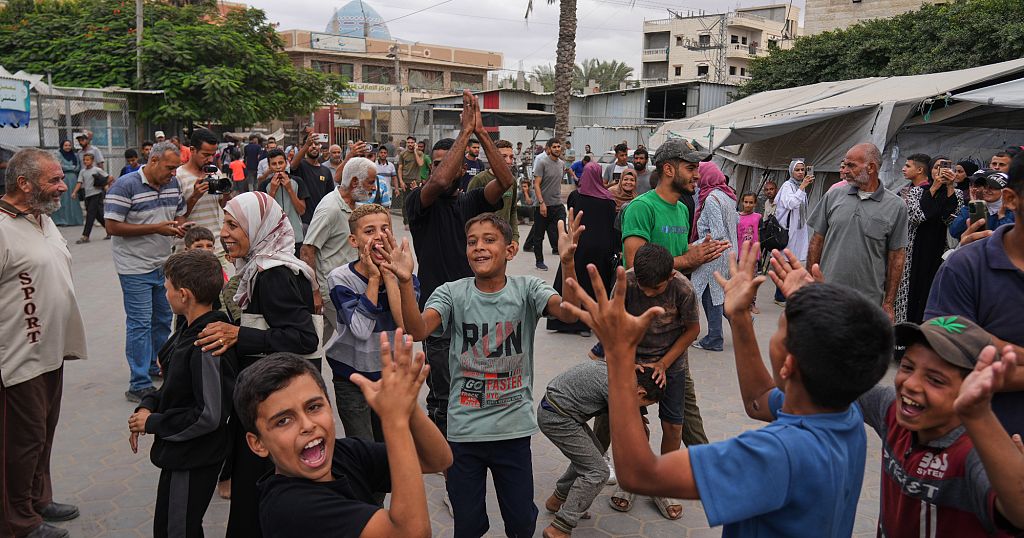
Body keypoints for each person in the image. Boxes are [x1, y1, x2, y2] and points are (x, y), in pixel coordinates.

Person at [560, 240, 892, 537]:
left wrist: (618, 355)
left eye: (778, 329)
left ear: (789, 366)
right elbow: (758, 402)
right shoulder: (843, 416)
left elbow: (639, 474)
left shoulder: (776, 454)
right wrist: (741, 317)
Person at [771, 250, 1024, 537]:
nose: (912, 384)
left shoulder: (971, 452)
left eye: (936, 379)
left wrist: (979, 416)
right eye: (907, 366)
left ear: (973, 388)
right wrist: (814, 315)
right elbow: (830, 376)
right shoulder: (891, 409)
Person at [390, 211, 584, 538]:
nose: (479, 247)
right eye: (472, 242)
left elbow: (568, 312)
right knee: (467, 524)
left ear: (510, 250)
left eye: (489, 240)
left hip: (513, 431)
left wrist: (567, 262)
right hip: (464, 432)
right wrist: (406, 282)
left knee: (521, 521)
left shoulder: (527, 289)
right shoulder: (452, 292)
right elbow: (418, 329)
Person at [234, 341, 452, 537]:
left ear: (331, 407)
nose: (307, 425)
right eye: (283, 421)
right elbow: (411, 533)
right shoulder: (290, 507)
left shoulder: (345, 453)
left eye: (313, 407)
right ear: (258, 443)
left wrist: (408, 403)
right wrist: (396, 420)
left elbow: (437, 459)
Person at [197, 191, 320, 538]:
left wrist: (239, 336)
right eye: (224, 222)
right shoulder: (260, 265)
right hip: (264, 394)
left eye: (234, 225)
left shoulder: (274, 273)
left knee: (260, 493)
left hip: (276, 400)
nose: (224, 233)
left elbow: (302, 338)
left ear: (259, 226)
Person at [402, 91, 513, 441]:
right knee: (443, 396)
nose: (440, 168)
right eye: (436, 162)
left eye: (448, 161)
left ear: (463, 167)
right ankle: (450, 466)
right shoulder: (417, 204)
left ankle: (477, 446)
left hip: (477, 314)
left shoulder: (471, 202)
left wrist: (481, 134)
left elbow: (507, 182)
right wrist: (464, 134)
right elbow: (436, 183)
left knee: (479, 388)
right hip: (438, 317)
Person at [619, 138, 730, 449]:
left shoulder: (683, 209)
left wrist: (697, 258)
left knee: (681, 416)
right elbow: (634, 265)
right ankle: (591, 470)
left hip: (673, 333)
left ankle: (703, 471)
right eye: (691, 167)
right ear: (669, 169)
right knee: (617, 410)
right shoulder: (641, 208)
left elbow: (678, 268)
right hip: (636, 335)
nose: (698, 174)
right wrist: (688, 259)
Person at [1, 148, 87, 538]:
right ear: (24, 184)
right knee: (20, 440)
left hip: (51, 351)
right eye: (53, 180)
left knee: (43, 432)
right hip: (16, 357)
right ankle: (17, 520)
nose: (62, 185)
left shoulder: (41, 219)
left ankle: (38, 498)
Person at [127, 249, 236, 538]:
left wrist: (154, 423)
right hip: (181, 452)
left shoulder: (206, 341)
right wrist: (147, 405)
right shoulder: (188, 330)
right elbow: (174, 386)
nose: (165, 294)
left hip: (194, 455)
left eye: (167, 288)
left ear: (184, 294)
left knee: (178, 529)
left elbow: (209, 415)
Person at [598, 243, 700, 520]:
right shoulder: (627, 283)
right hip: (630, 361)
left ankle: (661, 482)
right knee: (628, 424)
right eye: (643, 286)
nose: (646, 292)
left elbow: (693, 330)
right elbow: (610, 326)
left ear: (669, 276)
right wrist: (623, 362)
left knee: (673, 426)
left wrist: (664, 364)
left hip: (672, 363)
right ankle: (630, 480)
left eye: (654, 289)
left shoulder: (683, 289)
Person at [926, 152, 1024, 437]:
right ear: (1011, 199)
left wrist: (987, 346)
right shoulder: (967, 266)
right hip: (974, 446)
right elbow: (946, 345)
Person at [325, 204, 419, 443]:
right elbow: (360, 329)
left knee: (390, 444)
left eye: (385, 229)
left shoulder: (405, 276)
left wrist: (390, 276)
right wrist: (374, 279)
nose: (379, 236)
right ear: (353, 241)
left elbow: (406, 326)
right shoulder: (340, 278)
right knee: (363, 446)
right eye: (369, 231)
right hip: (352, 376)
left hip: (390, 376)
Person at [540, 361, 664, 538]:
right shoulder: (618, 390)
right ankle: (560, 528)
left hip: (560, 411)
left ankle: (557, 500)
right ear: (641, 392)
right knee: (598, 471)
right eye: (643, 404)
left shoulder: (621, 373)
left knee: (592, 457)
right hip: (557, 418)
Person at [103, 141, 187, 401]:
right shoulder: (125, 185)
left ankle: (155, 364)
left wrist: (179, 227)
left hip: (163, 264)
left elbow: (180, 213)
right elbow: (112, 227)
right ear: (153, 161)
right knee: (140, 324)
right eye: (170, 167)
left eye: (176, 168)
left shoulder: (173, 184)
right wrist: (156, 228)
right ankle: (138, 382)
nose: (173, 173)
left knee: (162, 319)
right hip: (134, 267)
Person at [807, 143, 909, 320]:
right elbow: (816, 241)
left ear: (871, 168)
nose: (844, 170)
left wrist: (888, 303)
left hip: (868, 302)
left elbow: (897, 257)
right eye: (844, 165)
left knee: (859, 347)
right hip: (827, 294)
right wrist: (809, 285)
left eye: (851, 165)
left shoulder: (896, 206)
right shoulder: (833, 196)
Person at [301, 154, 378, 341]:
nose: (374, 187)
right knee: (360, 336)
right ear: (354, 182)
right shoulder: (330, 208)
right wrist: (315, 292)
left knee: (314, 342)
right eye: (370, 182)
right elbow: (307, 249)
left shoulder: (354, 206)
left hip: (349, 287)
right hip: (333, 292)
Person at [549, 162, 617, 336]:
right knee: (594, 284)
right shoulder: (608, 199)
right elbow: (611, 226)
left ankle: (568, 321)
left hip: (578, 245)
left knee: (573, 280)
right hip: (602, 249)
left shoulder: (575, 196)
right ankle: (590, 323)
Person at [897, 155, 964, 324]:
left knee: (931, 291)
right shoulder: (917, 191)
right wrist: (934, 187)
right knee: (910, 293)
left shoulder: (957, 193)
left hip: (938, 251)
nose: (940, 171)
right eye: (936, 168)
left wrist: (949, 187)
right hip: (915, 250)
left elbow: (950, 219)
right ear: (930, 171)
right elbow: (917, 216)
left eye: (946, 168)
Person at [690, 161, 738, 352]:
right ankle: (740, 320)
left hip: (714, 251)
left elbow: (717, 232)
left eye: (698, 173)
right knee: (716, 294)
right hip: (727, 252)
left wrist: (692, 247)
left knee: (705, 293)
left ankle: (715, 337)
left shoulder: (711, 198)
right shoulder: (728, 196)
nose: (695, 177)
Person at [176, 128, 231, 255]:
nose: (210, 159)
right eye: (206, 155)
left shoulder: (215, 172)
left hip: (215, 246)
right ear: (192, 150)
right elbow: (177, 217)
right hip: (189, 249)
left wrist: (226, 193)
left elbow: (223, 205)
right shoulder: (178, 177)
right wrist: (195, 197)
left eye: (213, 155)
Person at [529, 138, 574, 271]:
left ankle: (565, 257)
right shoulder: (542, 162)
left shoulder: (561, 164)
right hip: (542, 205)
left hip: (557, 204)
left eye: (559, 146)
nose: (557, 149)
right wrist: (541, 203)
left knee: (562, 231)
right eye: (554, 147)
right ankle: (539, 261)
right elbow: (536, 184)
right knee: (539, 236)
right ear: (549, 148)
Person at [466, 139, 520, 248]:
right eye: (503, 156)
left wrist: (515, 237)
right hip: (482, 241)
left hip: (504, 238)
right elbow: (466, 212)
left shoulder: (512, 181)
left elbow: (513, 210)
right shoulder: (479, 180)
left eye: (511, 157)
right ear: (493, 157)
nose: (509, 161)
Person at [259, 149, 308, 256]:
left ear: (286, 163)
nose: (278, 167)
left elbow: (301, 210)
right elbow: (264, 214)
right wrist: (272, 191)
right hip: (273, 239)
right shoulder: (264, 185)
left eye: (280, 163)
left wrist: (290, 189)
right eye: (274, 164)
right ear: (269, 166)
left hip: (296, 238)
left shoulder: (297, 182)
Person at [949, 171, 1015, 239]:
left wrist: (1002, 217)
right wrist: (973, 207)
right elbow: (955, 232)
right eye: (985, 186)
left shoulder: (1014, 212)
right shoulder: (979, 207)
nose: (986, 190)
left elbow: (1007, 240)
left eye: (993, 187)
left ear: (1005, 192)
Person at [290, 131, 335, 232]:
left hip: (321, 220)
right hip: (303, 221)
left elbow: (330, 196)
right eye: (311, 144)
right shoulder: (300, 165)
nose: (314, 147)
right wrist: (307, 144)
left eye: (317, 144)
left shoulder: (326, 171)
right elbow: (292, 165)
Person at [774, 159, 813, 265]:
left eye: (802, 170)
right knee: (786, 257)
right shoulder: (788, 185)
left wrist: (801, 187)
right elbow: (791, 204)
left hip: (798, 227)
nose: (800, 172)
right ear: (791, 172)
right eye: (797, 170)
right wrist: (802, 187)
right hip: (788, 227)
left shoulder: (799, 185)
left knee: (795, 258)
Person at [71, 153, 110, 244]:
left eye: (88, 160)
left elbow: (109, 177)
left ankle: (85, 236)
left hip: (96, 195)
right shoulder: (82, 172)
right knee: (99, 215)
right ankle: (111, 231)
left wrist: (103, 185)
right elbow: (79, 182)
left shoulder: (97, 170)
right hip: (87, 196)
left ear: (92, 161)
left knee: (90, 215)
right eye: (84, 160)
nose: (85, 161)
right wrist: (74, 192)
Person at [737, 192, 761, 313]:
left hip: (753, 254)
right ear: (742, 202)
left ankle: (752, 303)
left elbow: (760, 235)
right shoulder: (737, 217)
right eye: (746, 202)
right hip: (740, 254)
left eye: (751, 202)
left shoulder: (758, 217)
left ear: (755, 203)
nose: (748, 205)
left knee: (753, 280)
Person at [52, 140, 83, 227]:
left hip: (73, 179)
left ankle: (74, 220)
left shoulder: (75, 155)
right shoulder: (58, 154)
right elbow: (59, 165)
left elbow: (78, 167)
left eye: (69, 145)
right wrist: (71, 167)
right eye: (66, 145)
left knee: (73, 199)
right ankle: (62, 220)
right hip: (63, 178)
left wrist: (72, 168)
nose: (68, 147)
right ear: (62, 146)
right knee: (63, 199)